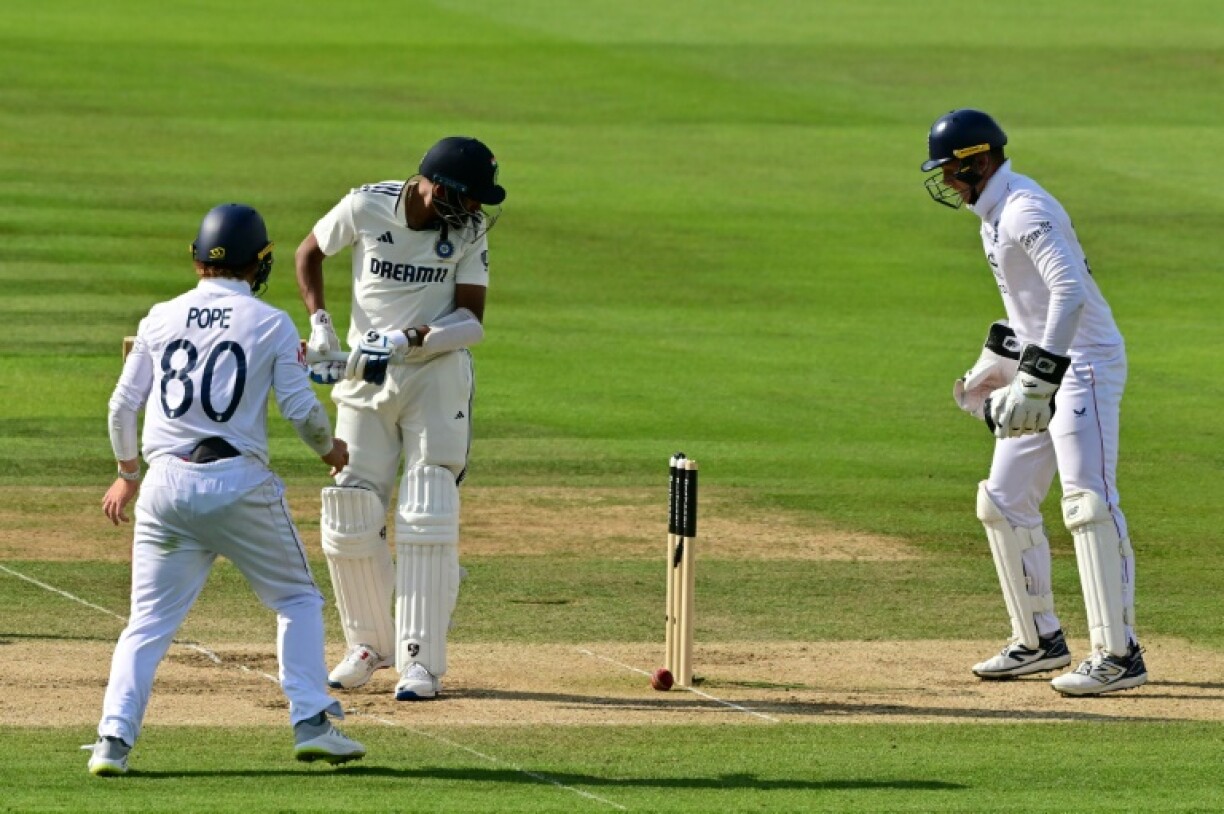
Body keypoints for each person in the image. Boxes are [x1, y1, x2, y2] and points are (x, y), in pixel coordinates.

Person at [85, 204, 366, 777]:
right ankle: (311, 723)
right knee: (296, 599)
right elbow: (301, 410)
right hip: (238, 484)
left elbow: (121, 405)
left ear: (197, 258)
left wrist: (128, 473)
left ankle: (112, 740)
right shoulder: (269, 322)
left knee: (146, 624)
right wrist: (331, 451)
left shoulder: (160, 317)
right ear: (258, 263)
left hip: (164, 486)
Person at [921, 109, 1147, 696]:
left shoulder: (1025, 207)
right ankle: (1038, 640)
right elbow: (1033, 303)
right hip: (1044, 364)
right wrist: (1000, 358)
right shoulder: (992, 216)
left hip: (1086, 365)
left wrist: (1039, 380)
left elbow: (1069, 290)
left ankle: (1120, 655)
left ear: (980, 161)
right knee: (1002, 501)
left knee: (1089, 504)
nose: (946, 181)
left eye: (950, 169)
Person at [294, 136, 505, 701]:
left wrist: (409, 336)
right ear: (436, 187)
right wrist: (319, 321)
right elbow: (308, 251)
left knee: (428, 506)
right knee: (349, 507)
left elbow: (473, 321)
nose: (477, 211)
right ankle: (368, 645)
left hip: (434, 376)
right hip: (365, 373)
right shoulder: (367, 205)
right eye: (469, 198)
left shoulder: (467, 232)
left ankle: (420, 662)